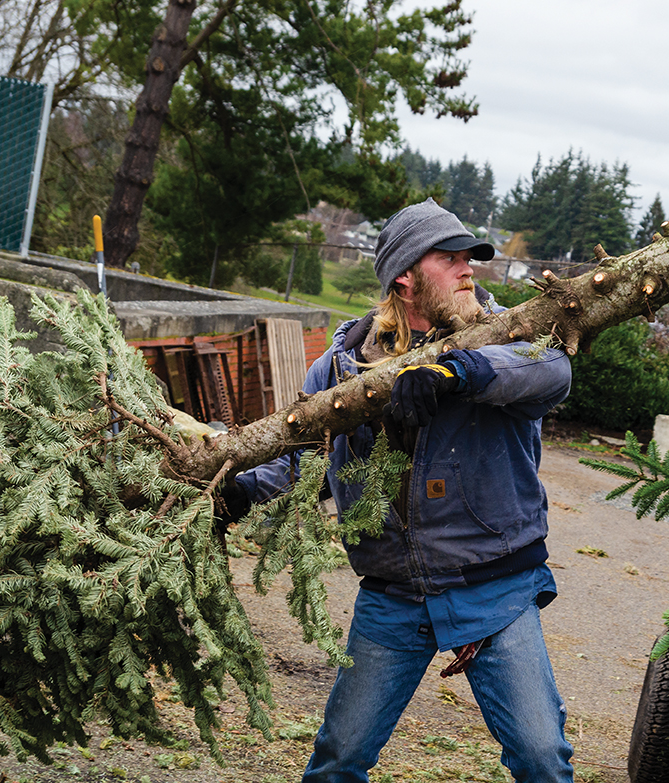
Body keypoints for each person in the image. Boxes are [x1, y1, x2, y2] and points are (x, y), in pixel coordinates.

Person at [228, 198, 575, 782]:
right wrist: (236, 495)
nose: (470, 267)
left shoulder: (510, 337)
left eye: (472, 256)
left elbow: (549, 373)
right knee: (338, 761)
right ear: (405, 277)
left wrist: (457, 372)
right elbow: (307, 462)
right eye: (451, 257)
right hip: (395, 593)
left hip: (494, 586)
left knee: (542, 759)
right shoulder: (340, 371)